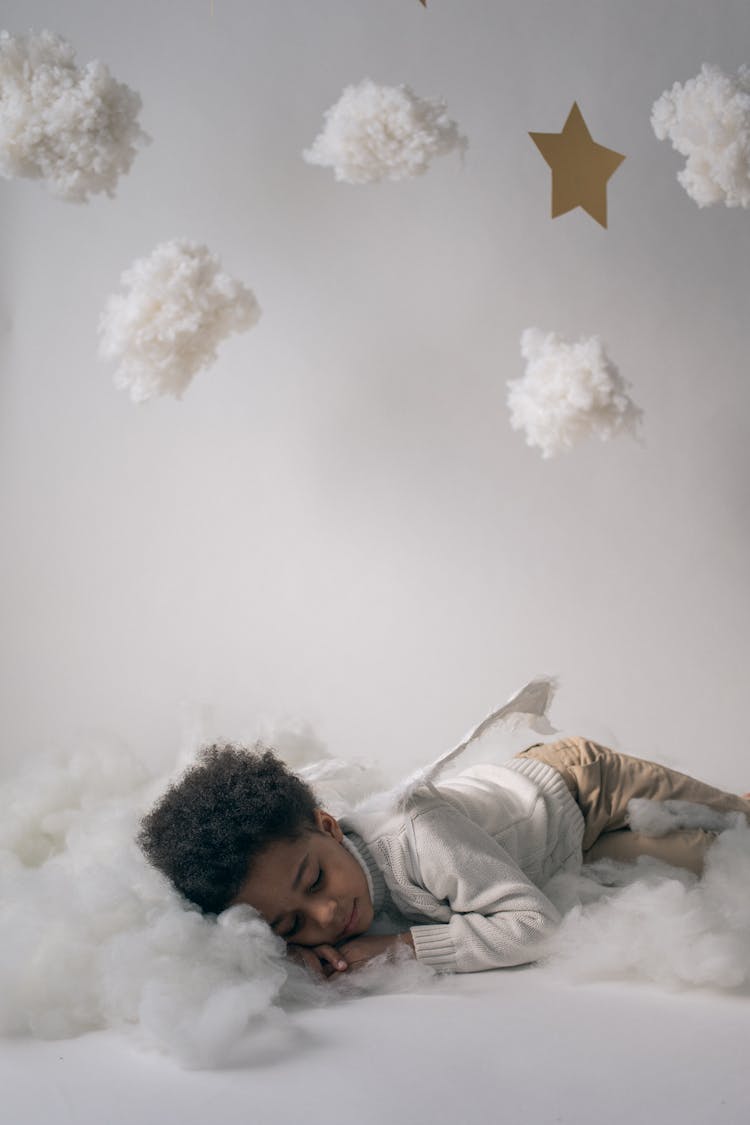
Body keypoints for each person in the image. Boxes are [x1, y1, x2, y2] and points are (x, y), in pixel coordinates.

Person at [137, 719, 750, 979]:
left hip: (585, 786)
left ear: (327, 828)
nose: (325, 918)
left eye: (316, 882)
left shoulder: (415, 837)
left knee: (737, 828)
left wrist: (395, 947)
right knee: (703, 867)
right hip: (565, 857)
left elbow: (535, 926)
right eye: (291, 923)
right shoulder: (309, 900)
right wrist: (296, 956)